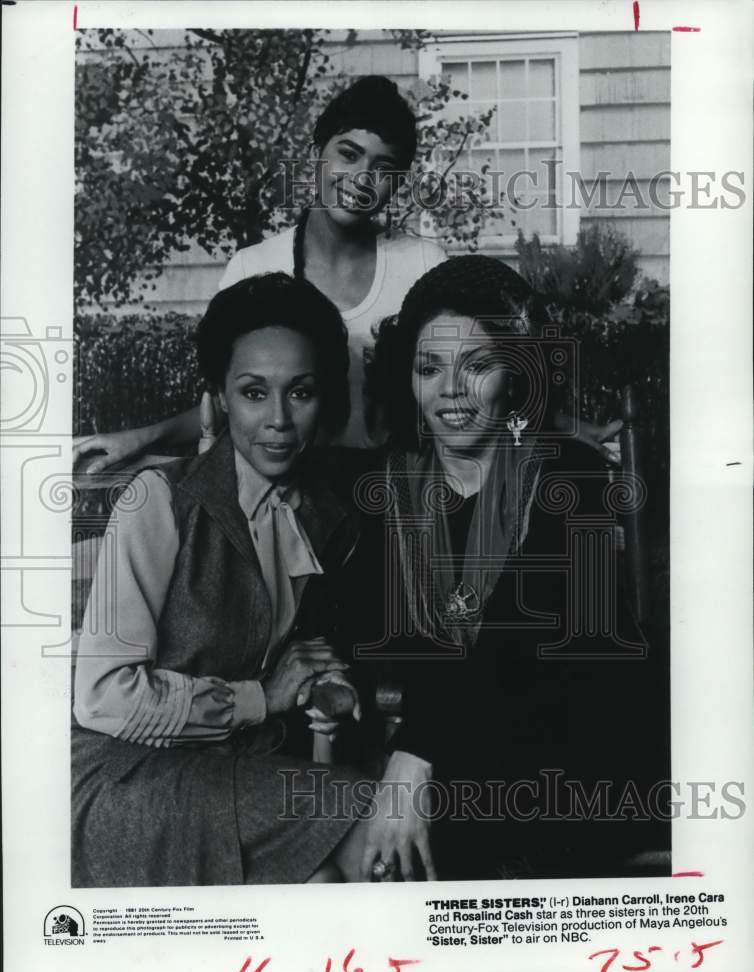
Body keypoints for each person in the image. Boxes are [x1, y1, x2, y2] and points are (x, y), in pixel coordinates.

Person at [346, 255, 667, 882]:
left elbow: (521, 634)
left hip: (573, 750)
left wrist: (413, 755)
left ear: (516, 377)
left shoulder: (568, 472)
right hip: (450, 754)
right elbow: (360, 629)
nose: (450, 392)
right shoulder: (389, 485)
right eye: (428, 368)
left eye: (478, 366)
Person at [72, 273, 375, 887]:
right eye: (254, 393)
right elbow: (102, 694)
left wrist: (317, 671)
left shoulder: (326, 517)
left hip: (238, 770)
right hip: (130, 781)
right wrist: (259, 698)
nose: (280, 421)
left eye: (302, 392)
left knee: (351, 861)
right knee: (368, 815)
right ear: (218, 399)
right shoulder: (158, 501)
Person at [72, 75, 446, 468]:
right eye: (348, 154)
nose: (361, 180)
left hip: (394, 495)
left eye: (382, 168)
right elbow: (229, 403)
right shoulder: (254, 267)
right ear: (317, 152)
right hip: (290, 502)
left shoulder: (423, 265)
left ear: (398, 182)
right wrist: (141, 437)